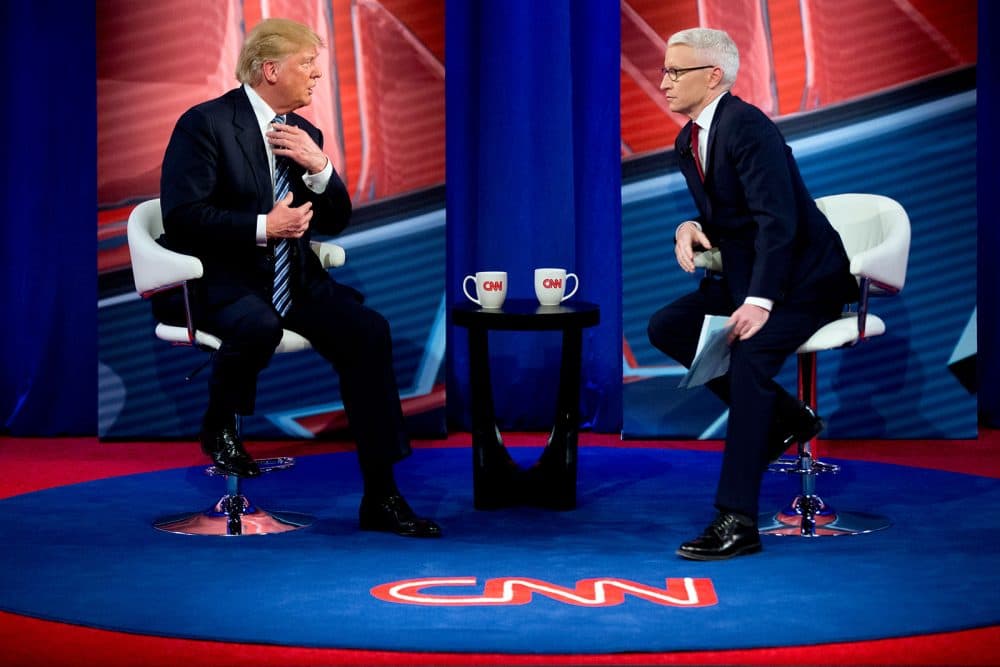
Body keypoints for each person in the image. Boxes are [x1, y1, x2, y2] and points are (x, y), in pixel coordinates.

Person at [154, 18, 440, 538]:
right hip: (222, 280)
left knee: (367, 332)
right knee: (257, 326)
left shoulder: (305, 133)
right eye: (306, 65)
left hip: (293, 280)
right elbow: (183, 216)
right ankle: (217, 422)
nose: (315, 77)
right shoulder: (206, 124)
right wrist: (266, 226)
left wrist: (320, 168)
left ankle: (382, 495)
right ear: (270, 69)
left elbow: (333, 220)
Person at [646, 28, 858, 560]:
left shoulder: (748, 127)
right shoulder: (688, 139)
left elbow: (777, 222)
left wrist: (759, 302)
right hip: (750, 275)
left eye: (676, 71)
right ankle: (785, 420)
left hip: (807, 283)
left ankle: (737, 521)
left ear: (712, 76)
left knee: (749, 355)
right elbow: (732, 219)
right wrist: (689, 226)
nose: (664, 82)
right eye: (665, 70)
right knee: (668, 326)